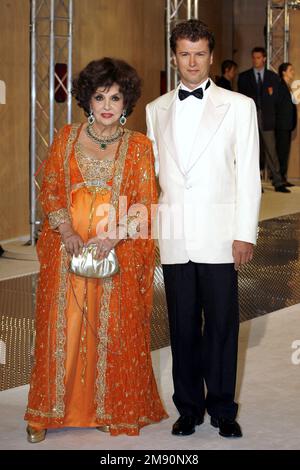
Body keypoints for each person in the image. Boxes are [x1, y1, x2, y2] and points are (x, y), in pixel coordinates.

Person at [24, 57, 167, 442]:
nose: (107, 105)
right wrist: (67, 230)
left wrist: (114, 237)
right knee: (62, 327)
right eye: (100, 96)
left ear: (126, 103)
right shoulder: (67, 137)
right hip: (65, 250)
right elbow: (51, 187)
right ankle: (44, 414)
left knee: (110, 329)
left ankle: (107, 407)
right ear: (87, 99)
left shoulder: (138, 146)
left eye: (116, 98)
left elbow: (144, 201)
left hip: (114, 251)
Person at [146, 19, 261, 439]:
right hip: (176, 236)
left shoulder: (239, 105)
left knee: (222, 327)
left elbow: (248, 174)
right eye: (183, 54)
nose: (191, 62)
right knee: (180, 328)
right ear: (174, 57)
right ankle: (188, 407)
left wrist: (244, 232)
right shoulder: (155, 109)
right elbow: (155, 176)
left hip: (219, 235)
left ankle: (223, 408)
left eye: (199, 54)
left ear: (211, 57)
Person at [238, 47, 289, 193]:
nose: (255, 60)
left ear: (264, 58)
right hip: (250, 118)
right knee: (253, 152)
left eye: (258, 57)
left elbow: (277, 101)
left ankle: (278, 182)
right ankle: (255, 184)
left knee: (271, 151)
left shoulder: (273, 77)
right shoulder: (244, 77)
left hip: (267, 119)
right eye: (254, 57)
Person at [276, 62, 298, 187]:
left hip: (287, 125)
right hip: (282, 125)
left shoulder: (289, 86)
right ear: (283, 72)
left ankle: (283, 177)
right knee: (281, 152)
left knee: (285, 153)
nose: (293, 72)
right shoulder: (280, 86)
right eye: (290, 70)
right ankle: (279, 179)